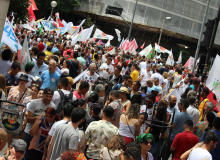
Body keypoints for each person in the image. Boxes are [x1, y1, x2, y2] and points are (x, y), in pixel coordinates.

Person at [23, 87, 55, 160]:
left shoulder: (52, 105)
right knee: (25, 154)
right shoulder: (34, 103)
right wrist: (39, 117)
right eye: (47, 96)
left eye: (50, 97)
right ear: (43, 95)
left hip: (41, 134)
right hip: (29, 132)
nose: (48, 98)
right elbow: (28, 119)